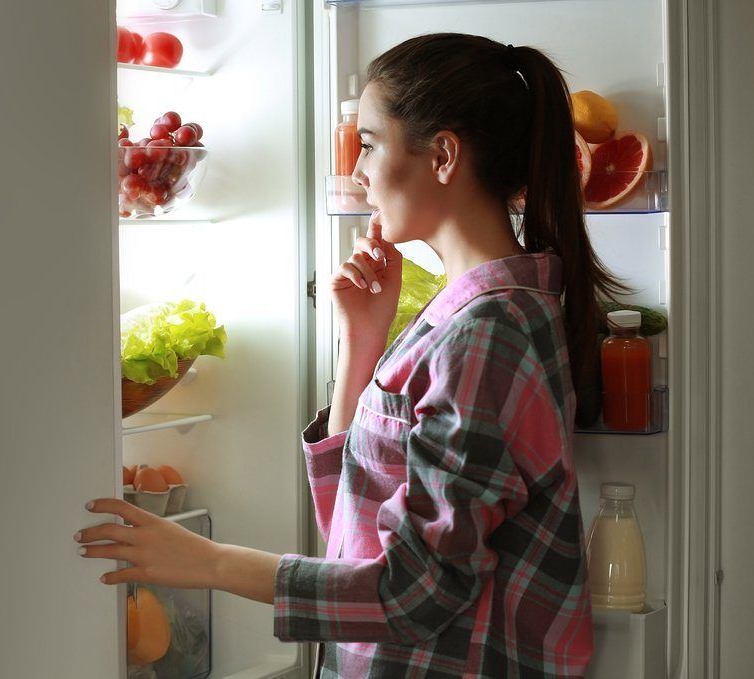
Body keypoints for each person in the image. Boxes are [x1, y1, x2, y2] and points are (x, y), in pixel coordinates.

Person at [75, 33, 625, 678]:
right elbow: (359, 532)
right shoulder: (474, 313)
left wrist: (209, 562)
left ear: (443, 154)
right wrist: (361, 344)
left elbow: (415, 593)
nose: (357, 171)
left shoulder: (489, 334)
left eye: (368, 143)